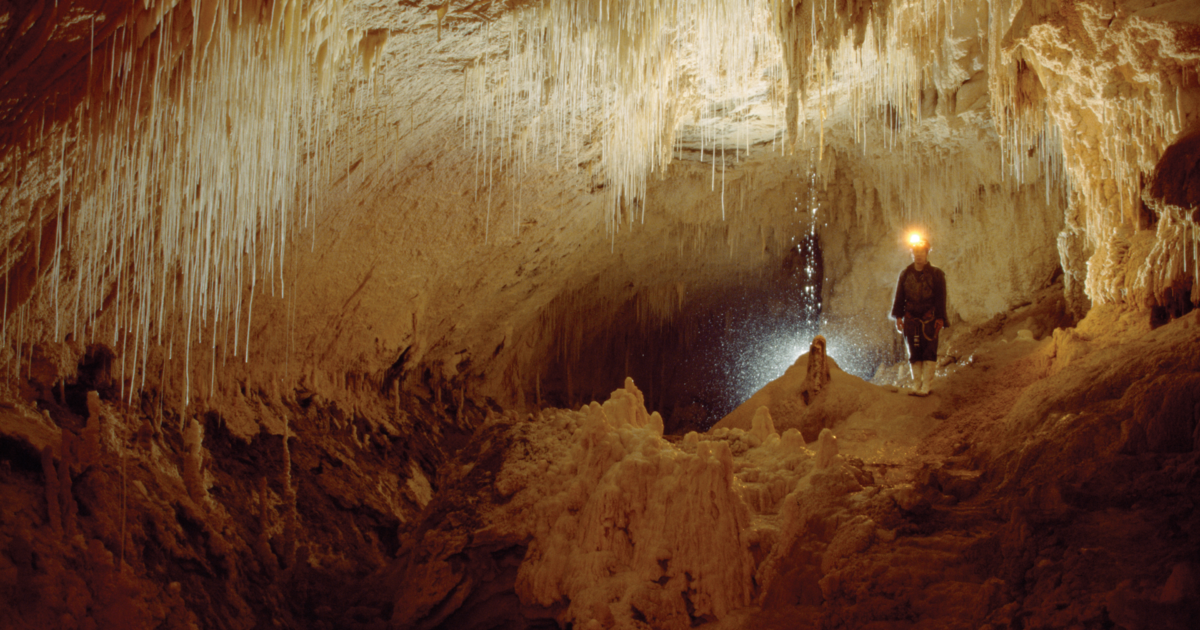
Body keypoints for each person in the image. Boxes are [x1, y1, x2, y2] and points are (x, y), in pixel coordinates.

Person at [890, 233, 947, 396]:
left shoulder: (936, 274)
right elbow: (899, 296)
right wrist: (898, 317)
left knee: (929, 351)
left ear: (927, 253)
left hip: (929, 319)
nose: (919, 255)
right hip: (911, 319)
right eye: (916, 252)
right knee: (914, 352)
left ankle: (926, 385)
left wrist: (941, 318)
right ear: (912, 253)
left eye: (922, 252)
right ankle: (916, 384)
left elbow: (941, 297)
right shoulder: (905, 274)